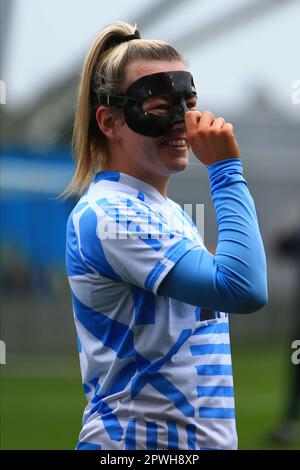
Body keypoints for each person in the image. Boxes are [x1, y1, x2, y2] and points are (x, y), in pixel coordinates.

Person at [65, 21, 268, 450]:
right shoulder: (110, 214)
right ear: (109, 121)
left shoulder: (166, 212)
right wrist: (226, 171)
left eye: (188, 103)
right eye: (159, 107)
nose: (182, 122)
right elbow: (242, 287)